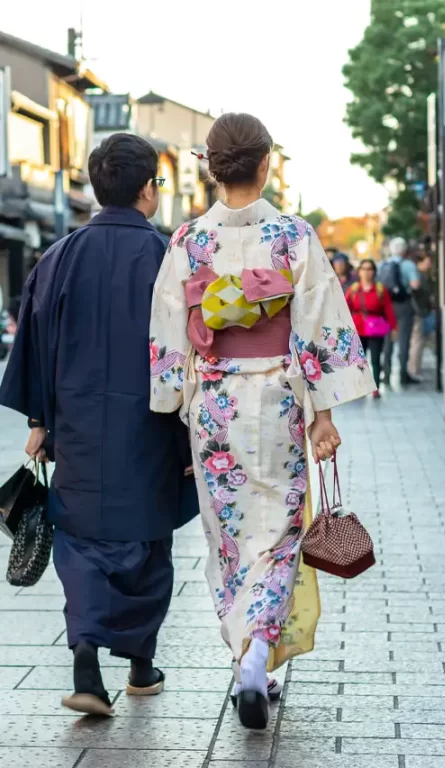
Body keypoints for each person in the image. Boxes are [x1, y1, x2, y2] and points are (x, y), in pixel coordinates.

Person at [148, 112, 375, 730]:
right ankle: (256, 658)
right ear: (266, 164)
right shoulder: (293, 235)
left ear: (211, 168)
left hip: (215, 407)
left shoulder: (188, 240)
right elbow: (318, 324)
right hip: (278, 398)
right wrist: (322, 413)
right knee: (279, 536)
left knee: (229, 540)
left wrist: (172, 399)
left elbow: (169, 332)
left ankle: (246, 657)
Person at [0, 133, 193, 716]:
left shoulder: (58, 257)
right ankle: (140, 666)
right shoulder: (169, 258)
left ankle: (86, 663)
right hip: (152, 426)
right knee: (147, 542)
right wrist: (193, 433)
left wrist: (40, 418)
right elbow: (192, 348)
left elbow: (35, 341)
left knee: (81, 543)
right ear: (147, 189)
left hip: (78, 428)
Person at [346, 259, 397, 398]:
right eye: (364, 269)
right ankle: (360, 387)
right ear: (359, 271)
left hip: (376, 329)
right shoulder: (354, 289)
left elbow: (388, 309)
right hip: (358, 329)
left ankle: (375, 387)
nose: (367, 272)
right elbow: (345, 308)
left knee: (375, 359)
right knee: (358, 360)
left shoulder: (380, 289)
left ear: (374, 271)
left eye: (370, 269)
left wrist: (394, 328)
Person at [379, 237, 421, 386]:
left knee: (387, 341)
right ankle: (403, 374)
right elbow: (415, 285)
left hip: (386, 306)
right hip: (404, 305)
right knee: (404, 339)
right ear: (404, 250)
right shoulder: (408, 265)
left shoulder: (383, 264)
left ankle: (386, 374)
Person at [408, 250, 436, 379]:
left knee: (419, 341)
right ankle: (414, 370)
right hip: (420, 313)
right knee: (418, 342)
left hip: (420, 312)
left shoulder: (418, 275)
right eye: (428, 261)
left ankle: (414, 368)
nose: (430, 264)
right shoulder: (419, 276)